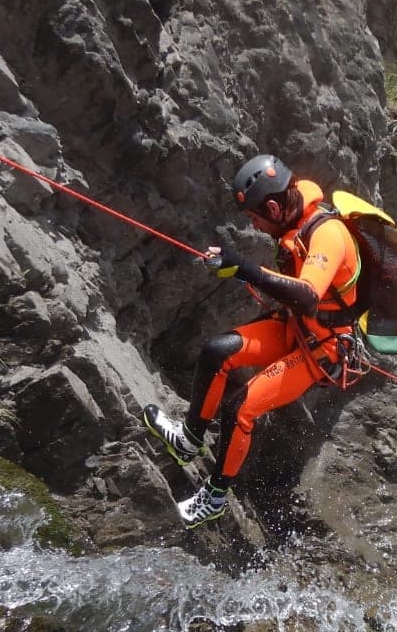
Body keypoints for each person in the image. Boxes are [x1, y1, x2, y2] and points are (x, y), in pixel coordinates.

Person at [143, 153, 361, 526]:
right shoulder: (295, 224)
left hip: (320, 351)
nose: (256, 226)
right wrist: (238, 271)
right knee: (217, 351)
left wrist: (244, 267)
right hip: (296, 328)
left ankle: (214, 497)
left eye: (255, 218)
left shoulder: (328, 233)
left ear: (274, 207)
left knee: (240, 409)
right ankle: (188, 441)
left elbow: (308, 294)